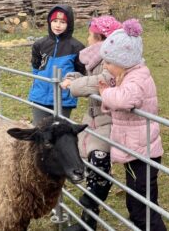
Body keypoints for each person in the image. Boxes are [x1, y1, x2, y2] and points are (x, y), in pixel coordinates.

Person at [98, 19, 167, 231]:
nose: (105, 66)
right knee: (136, 203)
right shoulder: (128, 75)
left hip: (141, 153)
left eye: (109, 62)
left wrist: (105, 93)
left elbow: (125, 100)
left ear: (124, 60)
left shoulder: (137, 78)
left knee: (142, 208)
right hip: (136, 149)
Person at [61, 16, 122, 231]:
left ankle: (89, 210)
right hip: (93, 120)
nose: (86, 38)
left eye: (90, 34)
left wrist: (73, 84)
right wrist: (73, 76)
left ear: (100, 38)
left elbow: (101, 81)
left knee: (99, 166)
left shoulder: (113, 60)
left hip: (109, 121)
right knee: (89, 166)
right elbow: (88, 77)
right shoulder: (94, 58)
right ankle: (88, 219)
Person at [28, 4, 85, 125]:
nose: (58, 25)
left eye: (62, 22)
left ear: (69, 24)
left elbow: (80, 72)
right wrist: (38, 84)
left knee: (60, 133)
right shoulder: (39, 44)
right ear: (49, 22)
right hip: (40, 96)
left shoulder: (77, 47)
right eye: (55, 21)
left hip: (63, 99)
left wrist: (70, 87)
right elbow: (35, 67)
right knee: (39, 131)